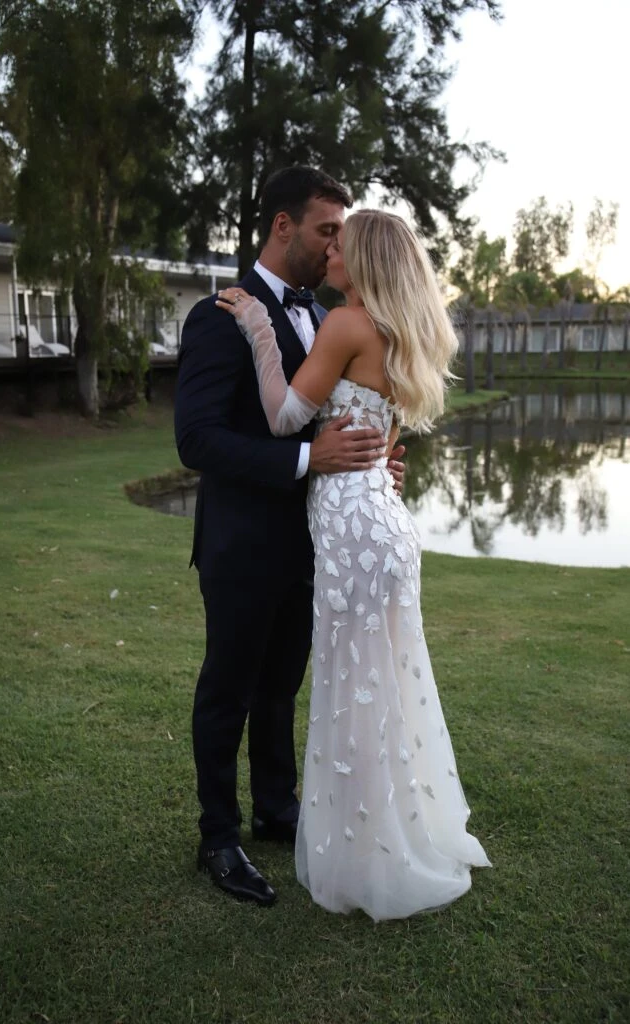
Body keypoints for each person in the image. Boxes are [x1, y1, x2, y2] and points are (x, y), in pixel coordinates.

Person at [216, 208, 491, 921]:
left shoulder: (344, 323)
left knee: (353, 692)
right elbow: (379, 444)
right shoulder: (402, 336)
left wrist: (255, 329)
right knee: (383, 693)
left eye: (341, 241)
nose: (329, 250)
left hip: (351, 533)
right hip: (386, 530)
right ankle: (393, 835)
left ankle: (371, 858)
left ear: (363, 258)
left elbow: (282, 418)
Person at [175, 167, 406, 907]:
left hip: (317, 544)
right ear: (283, 226)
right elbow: (198, 440)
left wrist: (367, 463)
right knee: (229, 691)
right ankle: (219, 835)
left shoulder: (326, 313)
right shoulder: (219, 316)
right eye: (325, 229)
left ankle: (278, 810)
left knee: (282, 689)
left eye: (342, 231)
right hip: (243, 545)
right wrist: (312, 457)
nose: (336, 242)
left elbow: (336, 411)